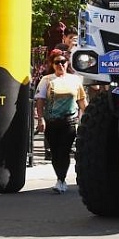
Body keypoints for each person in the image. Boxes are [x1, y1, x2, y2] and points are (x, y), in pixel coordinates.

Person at [34, 48, 87, 194]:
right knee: (55, 152)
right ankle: (59, 177)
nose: (60, 65)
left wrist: (87, 117)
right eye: (57, 62)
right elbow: (40, 100)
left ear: (67, 63)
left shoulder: (75, 80)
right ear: (52, 64)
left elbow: (82, 100)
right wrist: (41, 119)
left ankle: (61, 180)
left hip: (69, 121)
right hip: (52, 121)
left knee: (64, 151)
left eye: (63, 62)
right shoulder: (47, 80)